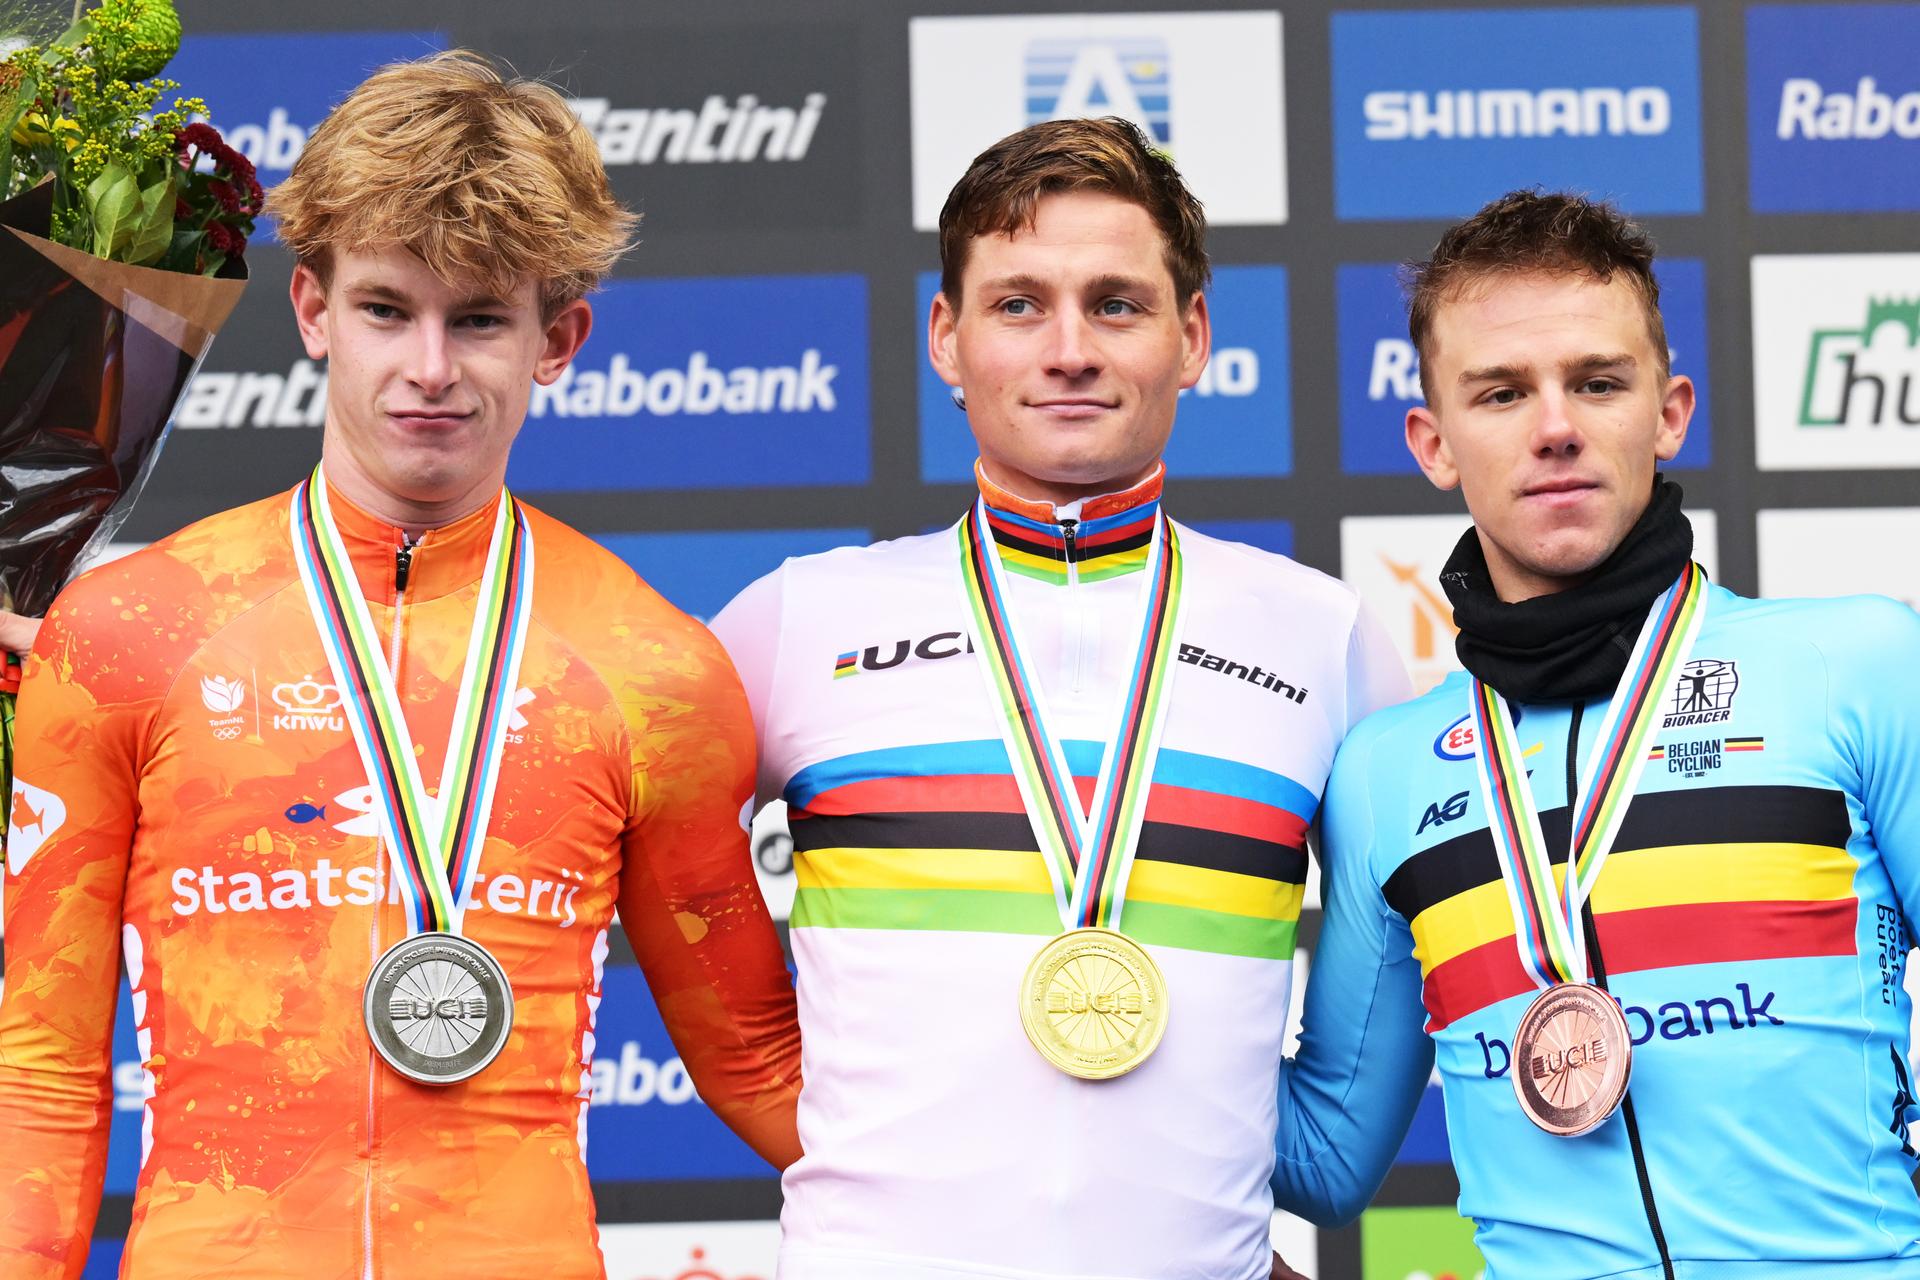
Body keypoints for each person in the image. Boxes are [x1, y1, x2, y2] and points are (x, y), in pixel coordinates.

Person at [0, 51, 801, 1280]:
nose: (431, 368)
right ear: (314, 311)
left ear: (559, 337)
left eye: (479, 317)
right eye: (388, 309)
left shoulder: (654, 667)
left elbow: (759, 1062)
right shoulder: (128, 633)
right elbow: (36, 1074)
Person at [709, 116, 1409, 1280]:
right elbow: (657, 881)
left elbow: (1335, 1135)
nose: (1070, 347)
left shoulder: (1324, 634)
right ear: (947, 335)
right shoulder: (796, 619)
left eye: (1118, 303)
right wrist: (854, 1133)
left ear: (1192, 338)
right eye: (1019, 302)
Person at [1272, 190, 1920, 1277]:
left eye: (1597, 381)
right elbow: (1327, 1156)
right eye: (1502, 391)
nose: (1556, 424)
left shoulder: (1854, 664)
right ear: (1434, 442)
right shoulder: (1384, 774)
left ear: (1668, 413)